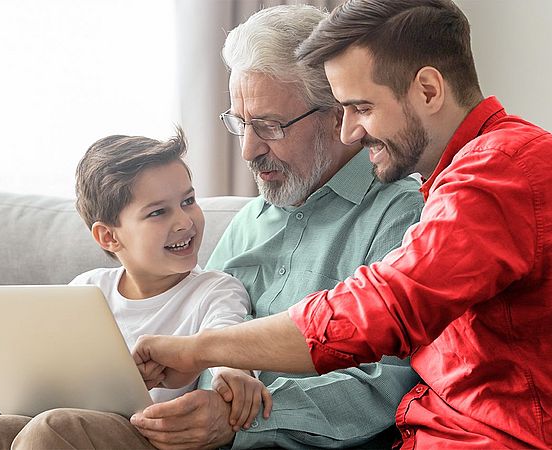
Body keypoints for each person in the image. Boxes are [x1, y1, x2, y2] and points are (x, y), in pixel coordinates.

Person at [130, 1, 552, 449]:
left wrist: (201, 349)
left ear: (428, 90)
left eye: (362, 108)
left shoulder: (500, 169)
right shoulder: (468, 176)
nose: (349, 132)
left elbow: (380, 309)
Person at [128, 5, 424, 450]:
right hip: (172, 434)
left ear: (336, 116)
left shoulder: (401, 215)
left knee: (50, 434)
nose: (248, 150)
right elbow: (203, 332)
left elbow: (388, 383)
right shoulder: (250, 220)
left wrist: (242, 419)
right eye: (240, 124)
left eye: (269, 126)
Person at [0, 130, 271, 447]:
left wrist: (233, 370)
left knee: (54, 426)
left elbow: (226, 336)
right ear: (108, 237)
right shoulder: (87, 288)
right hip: (76, 418)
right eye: (158, 212)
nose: (184, 221)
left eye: (187, 201)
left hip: (148, 435)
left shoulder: (214, 290)